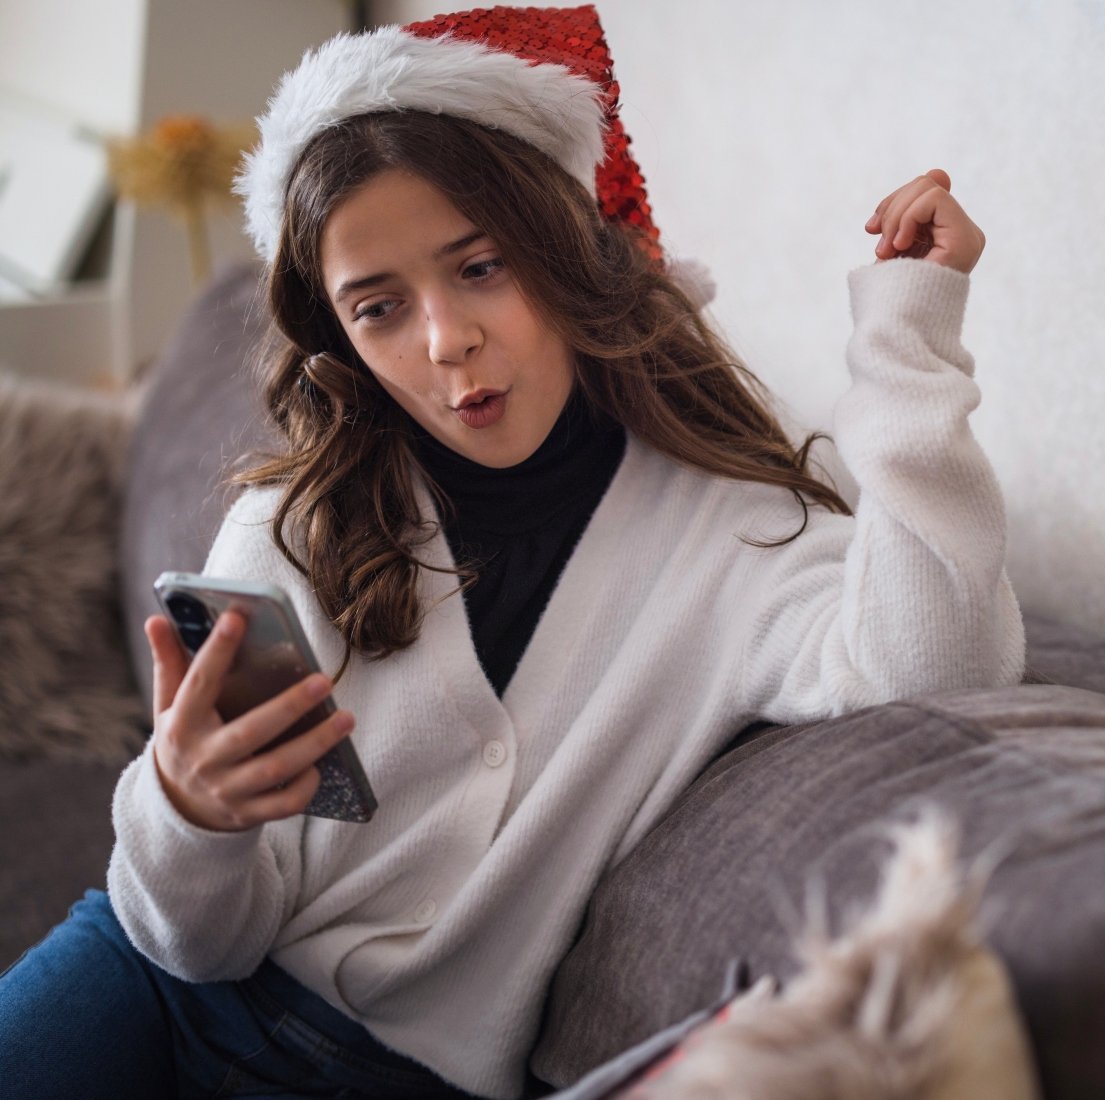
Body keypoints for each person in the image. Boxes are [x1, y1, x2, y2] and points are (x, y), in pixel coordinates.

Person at [0, 6, 1023, 1098]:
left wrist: (910, 337)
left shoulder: (733, 530)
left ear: (564, 251)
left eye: (480, 266)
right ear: (338, 334)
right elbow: (196, 943)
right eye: (379, 306)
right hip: (149, 983)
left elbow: (938, 660)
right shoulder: (296, 524)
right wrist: (187, 808)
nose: (444, 339)